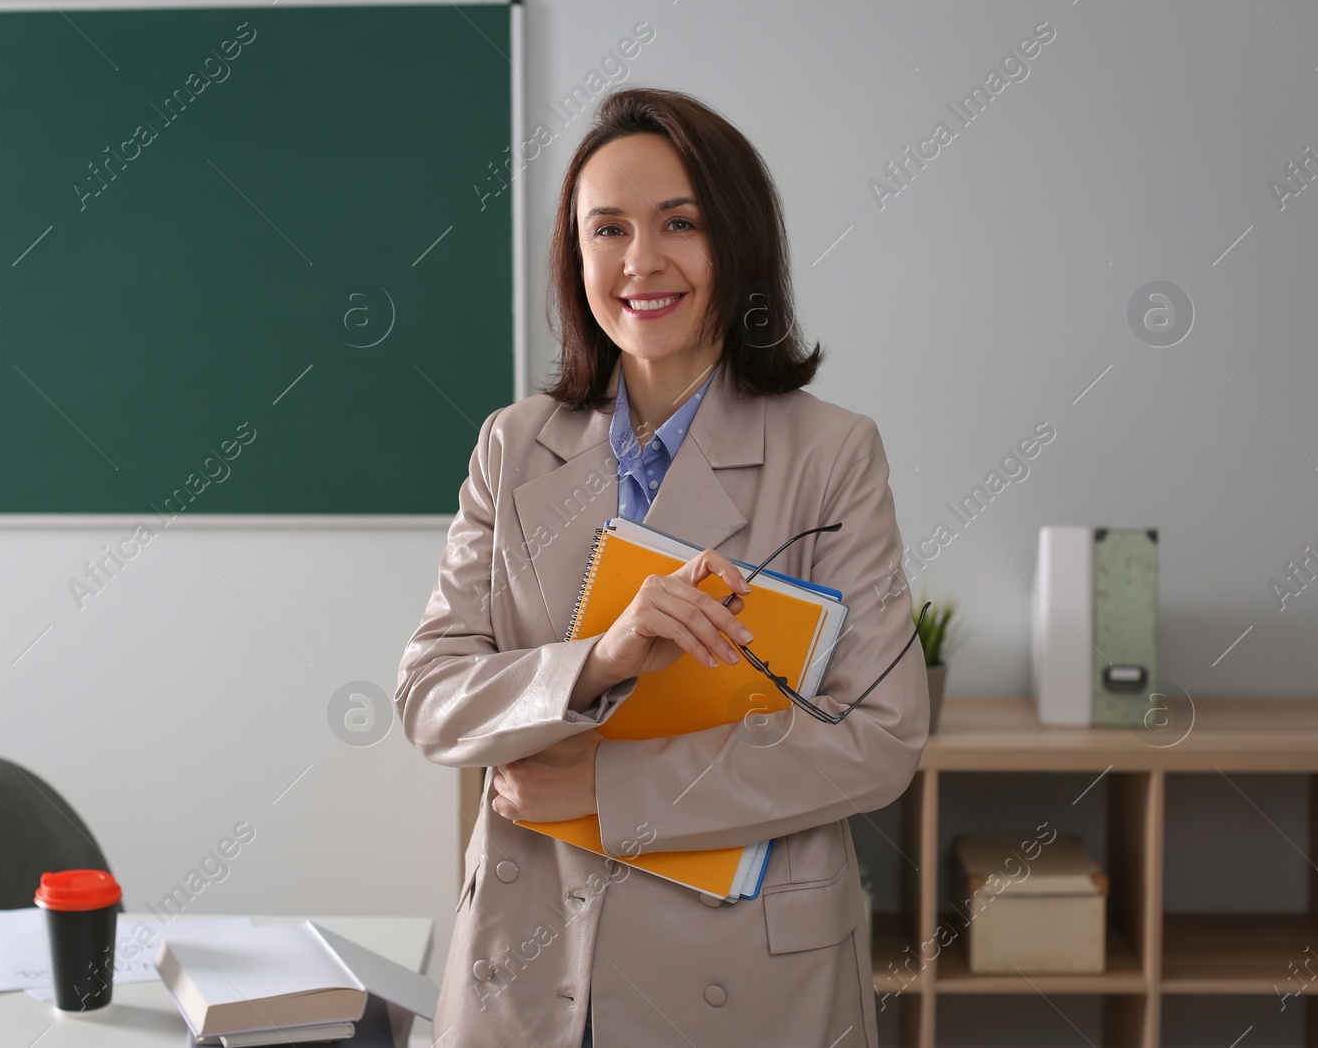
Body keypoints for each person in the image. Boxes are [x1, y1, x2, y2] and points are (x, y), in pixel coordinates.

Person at [395, 87, 928, 1048]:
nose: (642, 261)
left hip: (742, 975)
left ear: (739, 243)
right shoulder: (514, 446)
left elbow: (879, 734)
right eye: (609, 229)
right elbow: (429, 694)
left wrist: (608, 791)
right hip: (532, 964)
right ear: (576, 255)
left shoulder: (831, 454)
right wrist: (594, 661)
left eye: (679, 223)